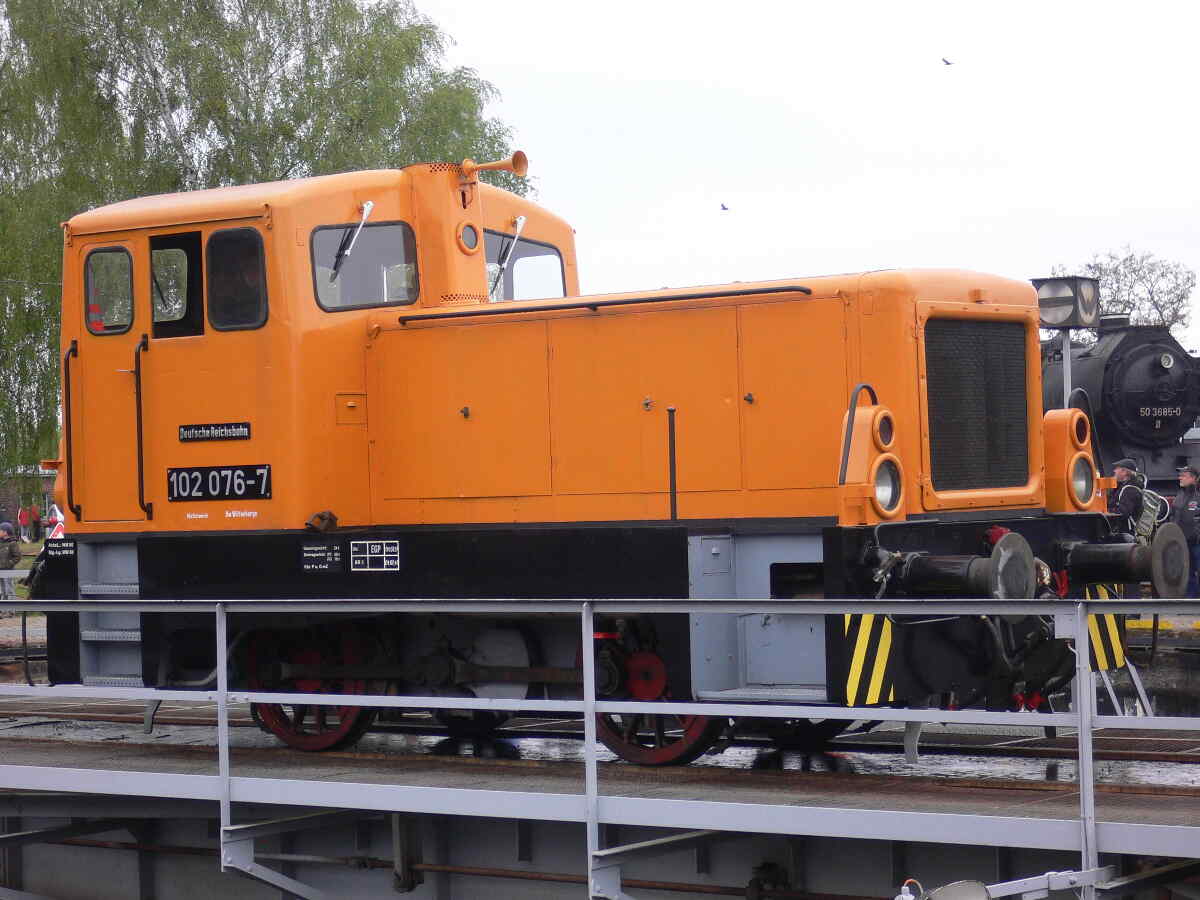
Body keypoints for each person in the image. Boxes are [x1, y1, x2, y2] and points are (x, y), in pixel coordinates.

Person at [1108, 458, 1144, 536]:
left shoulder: (1130, 490)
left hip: (1125, 534)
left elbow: (1122, 513)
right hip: (1121, 532)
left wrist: (1105, 512)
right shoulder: (1122, 487)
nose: (1114, 471)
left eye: (1117, 468)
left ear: (1124, 472)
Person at [0, 522, 20, 601]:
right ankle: (3, 605)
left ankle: (12, 606)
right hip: (0, 569)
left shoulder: (13, 543)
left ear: (5, 532)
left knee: (9, 588)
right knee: (2, 589)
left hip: (8, 570)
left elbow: (17, 556)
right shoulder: (1, 543)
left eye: (0, 530)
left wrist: (9, 563)